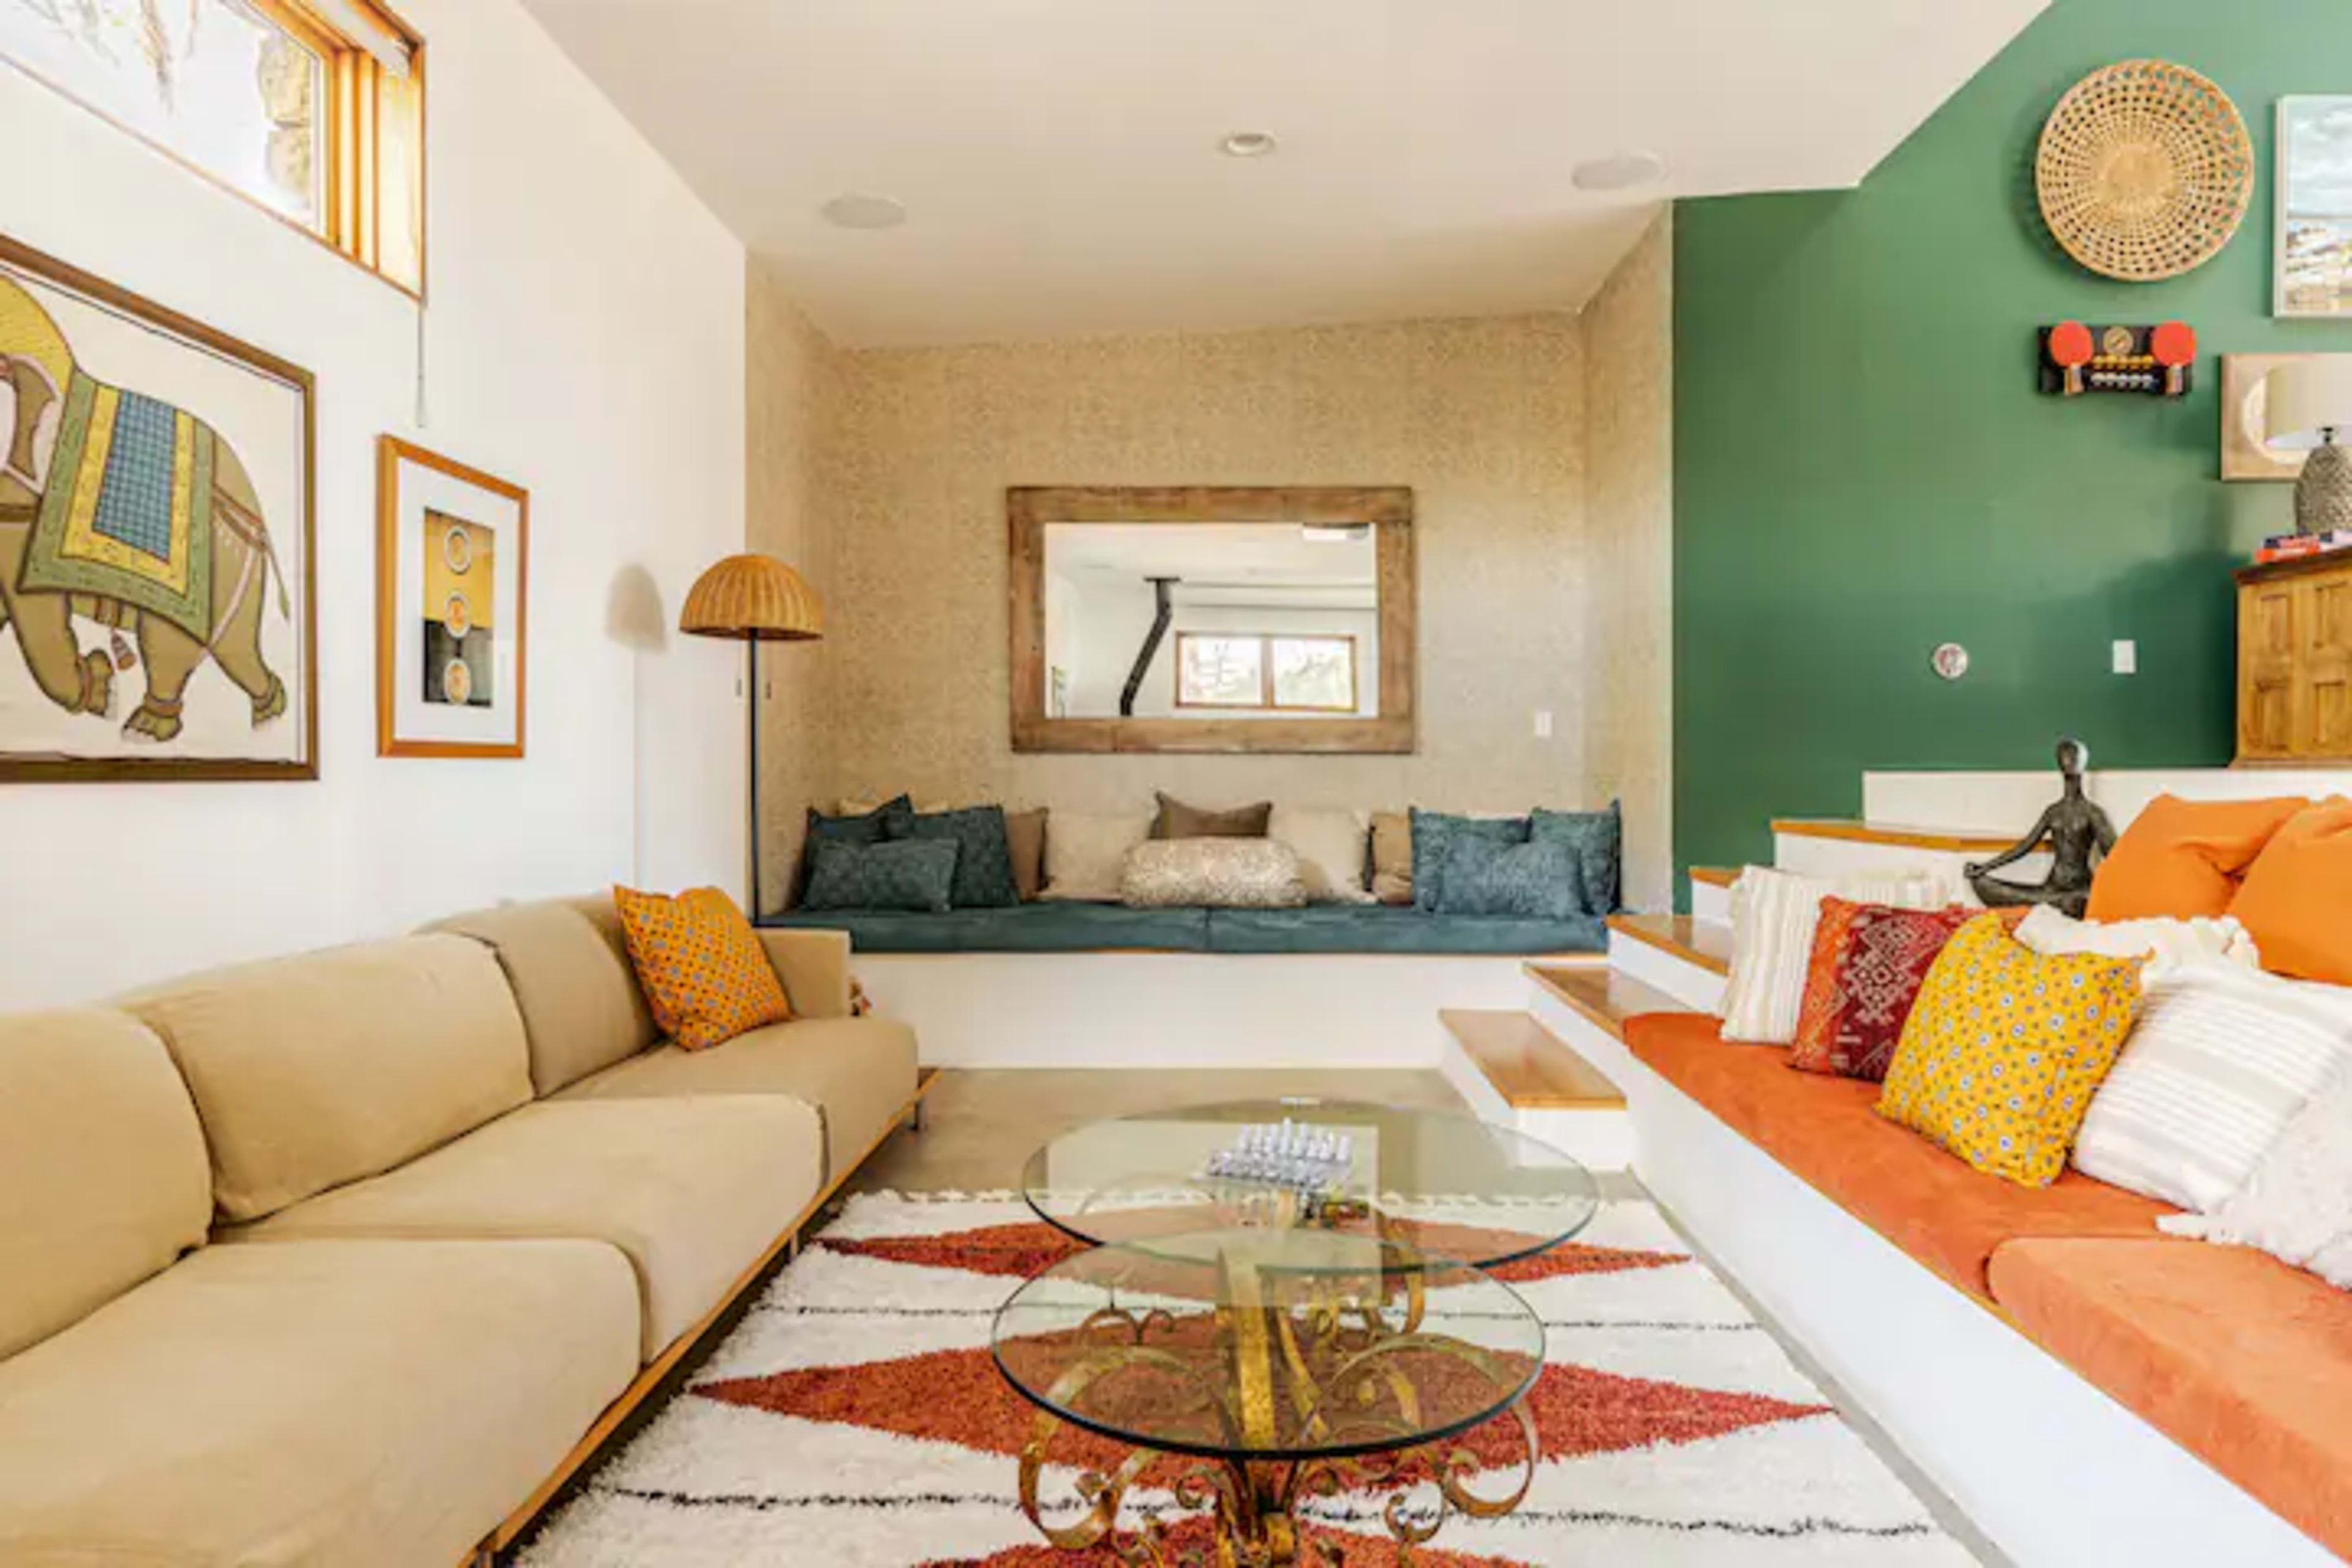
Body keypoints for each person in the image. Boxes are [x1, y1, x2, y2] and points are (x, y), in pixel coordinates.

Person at [1966, 737, 2115, 919]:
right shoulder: (2053, 812)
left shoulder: (2093, 813)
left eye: (2074, 756)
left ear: (2083, 761)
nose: (2069, 760)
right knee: (1987, 884)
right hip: (2052, 887)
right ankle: (2054, 903)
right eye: (2065, 756)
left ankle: (2061, 903)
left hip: (2079, 890)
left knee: (2074, 903)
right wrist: (1984, 868)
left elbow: (2115, 857)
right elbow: (2024, 847)